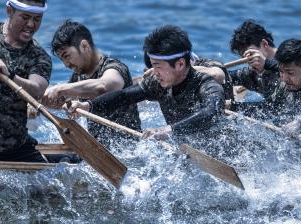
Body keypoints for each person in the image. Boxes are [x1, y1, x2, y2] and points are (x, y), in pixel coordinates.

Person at [66, 25, 225, 141]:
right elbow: (124, 96)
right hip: (187, 146)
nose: (154, 73)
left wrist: (169, 130)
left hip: (221, 149)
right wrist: (88, 106)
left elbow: (212, 111)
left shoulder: (206, 84)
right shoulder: (158, 84)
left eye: (158, 67)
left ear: (180, 64)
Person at [0, 0, 51, 162]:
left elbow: (37, 89)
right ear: (9, 11)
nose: (31, 24)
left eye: (37, 19)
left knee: (51, 186)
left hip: (13, 146)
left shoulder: (40, 57)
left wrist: (11, 76)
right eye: (25, 17)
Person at [42, 20, 141, 147]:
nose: (65, 64)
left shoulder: (115, 67)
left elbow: (104, 87)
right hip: (98, 151)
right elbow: (59, 100)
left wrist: (60, 88)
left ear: (84, 46)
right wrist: (38, 103)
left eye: (66, 56)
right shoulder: (78, 76)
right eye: (62, 59)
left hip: (129, 151)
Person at [228, 20, 280, 117]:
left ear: (264, 44)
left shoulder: (291, 60)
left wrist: (233, 107)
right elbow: (226, 76)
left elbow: (276, 108)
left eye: (250, 54)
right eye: (243, 58)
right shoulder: (254, 73)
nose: (248, 61)